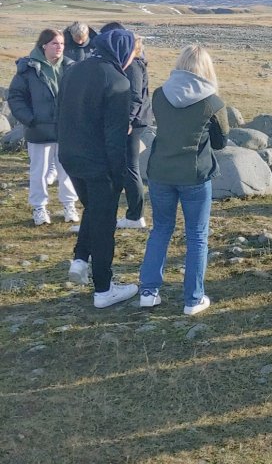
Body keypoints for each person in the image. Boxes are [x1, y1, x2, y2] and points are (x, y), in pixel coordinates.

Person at [138, 45, 228, 315]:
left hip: (160, 173)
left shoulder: (159, 95)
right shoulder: (213, 102)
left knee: (160, 230)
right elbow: (221, 141)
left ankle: (148, 291)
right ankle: (193, 299)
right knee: (197, 236)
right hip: (195, 175)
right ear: (207, 68)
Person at [57, 29, 138, 308]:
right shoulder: (118, 81)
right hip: (99, 163)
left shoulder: (73, 70)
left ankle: (80, 260)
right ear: (122, 51)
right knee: (104, 223)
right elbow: (115, 138)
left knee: (93, 209)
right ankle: (104, 289)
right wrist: (119, 177)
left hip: (69, 157)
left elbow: (62, 115)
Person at [7, 28, 79, 226]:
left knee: (67, 169)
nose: (60, 47)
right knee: (39, 170)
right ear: (44, 45)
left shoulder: (71, 67)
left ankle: (69, 205)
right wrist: (30, 119)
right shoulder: (28, 68)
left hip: (65, 129)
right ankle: (39, 207)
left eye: (62, 44)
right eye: (55, 43)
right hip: (39, 129)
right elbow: (15, 97)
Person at [116, 32, 151, 229]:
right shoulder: (136, 64)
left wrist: (128, 120)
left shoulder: (134, 66)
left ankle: (135, 215)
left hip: (133, 123)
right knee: (129, 166)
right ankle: (134, 214)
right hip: (135, 120)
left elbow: (136, 96)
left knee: (130, 167)